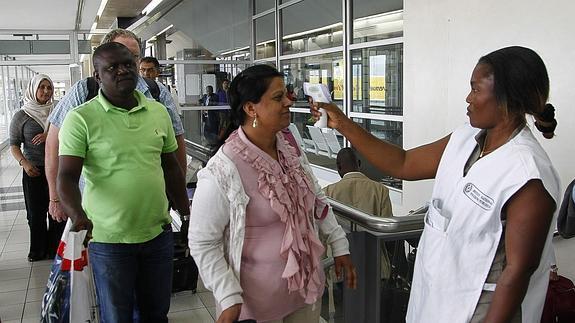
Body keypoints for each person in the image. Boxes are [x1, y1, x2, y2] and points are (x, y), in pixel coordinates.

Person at [311, 46, 560, 323]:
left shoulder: (527, 175)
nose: (468, 98)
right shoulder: (466, 138)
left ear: (507, 99)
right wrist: (343, 123)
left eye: (476, 90)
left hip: (480, 310)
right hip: (433, 301)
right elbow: (403, 163)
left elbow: (517, 272)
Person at [188, 65, 357, 323]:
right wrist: (228, 295)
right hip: (255, 306)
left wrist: (339, 243)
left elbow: (316, 199)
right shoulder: (224, 169)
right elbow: (203, 242)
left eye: (287, 94)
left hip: (304, 294)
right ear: (250, 108)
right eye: (278, 98)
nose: (289, 101)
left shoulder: (289, 149)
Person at [57, 42, 189, 323]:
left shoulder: (158, 112)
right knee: (117, 317)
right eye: (112, 67)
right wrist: (78, 216)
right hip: (109, 240)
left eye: (128, 64)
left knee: (156, 314)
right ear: (97, 76)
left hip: (157, 234)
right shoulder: (81, 119)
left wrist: (186, 213)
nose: (122, 71)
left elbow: (171, 167)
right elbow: (66, 176)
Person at [45, 28, 186, 223]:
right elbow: (53, 144)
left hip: (153, 218)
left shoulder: (157, 95)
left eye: (133, 58)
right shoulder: (83, 93)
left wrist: (180, 202)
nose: (125, 68)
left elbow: (176, 149)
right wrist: (56, 198)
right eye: (117, 58)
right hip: (97, 219)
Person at [9, 74, 65, 262]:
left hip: (57, 169)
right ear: (33, 89)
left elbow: (68, 132)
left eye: (49, 87)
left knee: (57, 212)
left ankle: (54, 248)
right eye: (42, 87)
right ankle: (37, 250)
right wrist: (24, 163)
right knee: (35, 213)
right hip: (33, 170)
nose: (46, 91)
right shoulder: (22, 115)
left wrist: (49, 134)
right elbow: (14, 144)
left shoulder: (59, 110)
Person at [324, 148, 393, 218]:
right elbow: (387, 222)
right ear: (359, 163)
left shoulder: (327, 192)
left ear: (339, 166)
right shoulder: (381, 190)